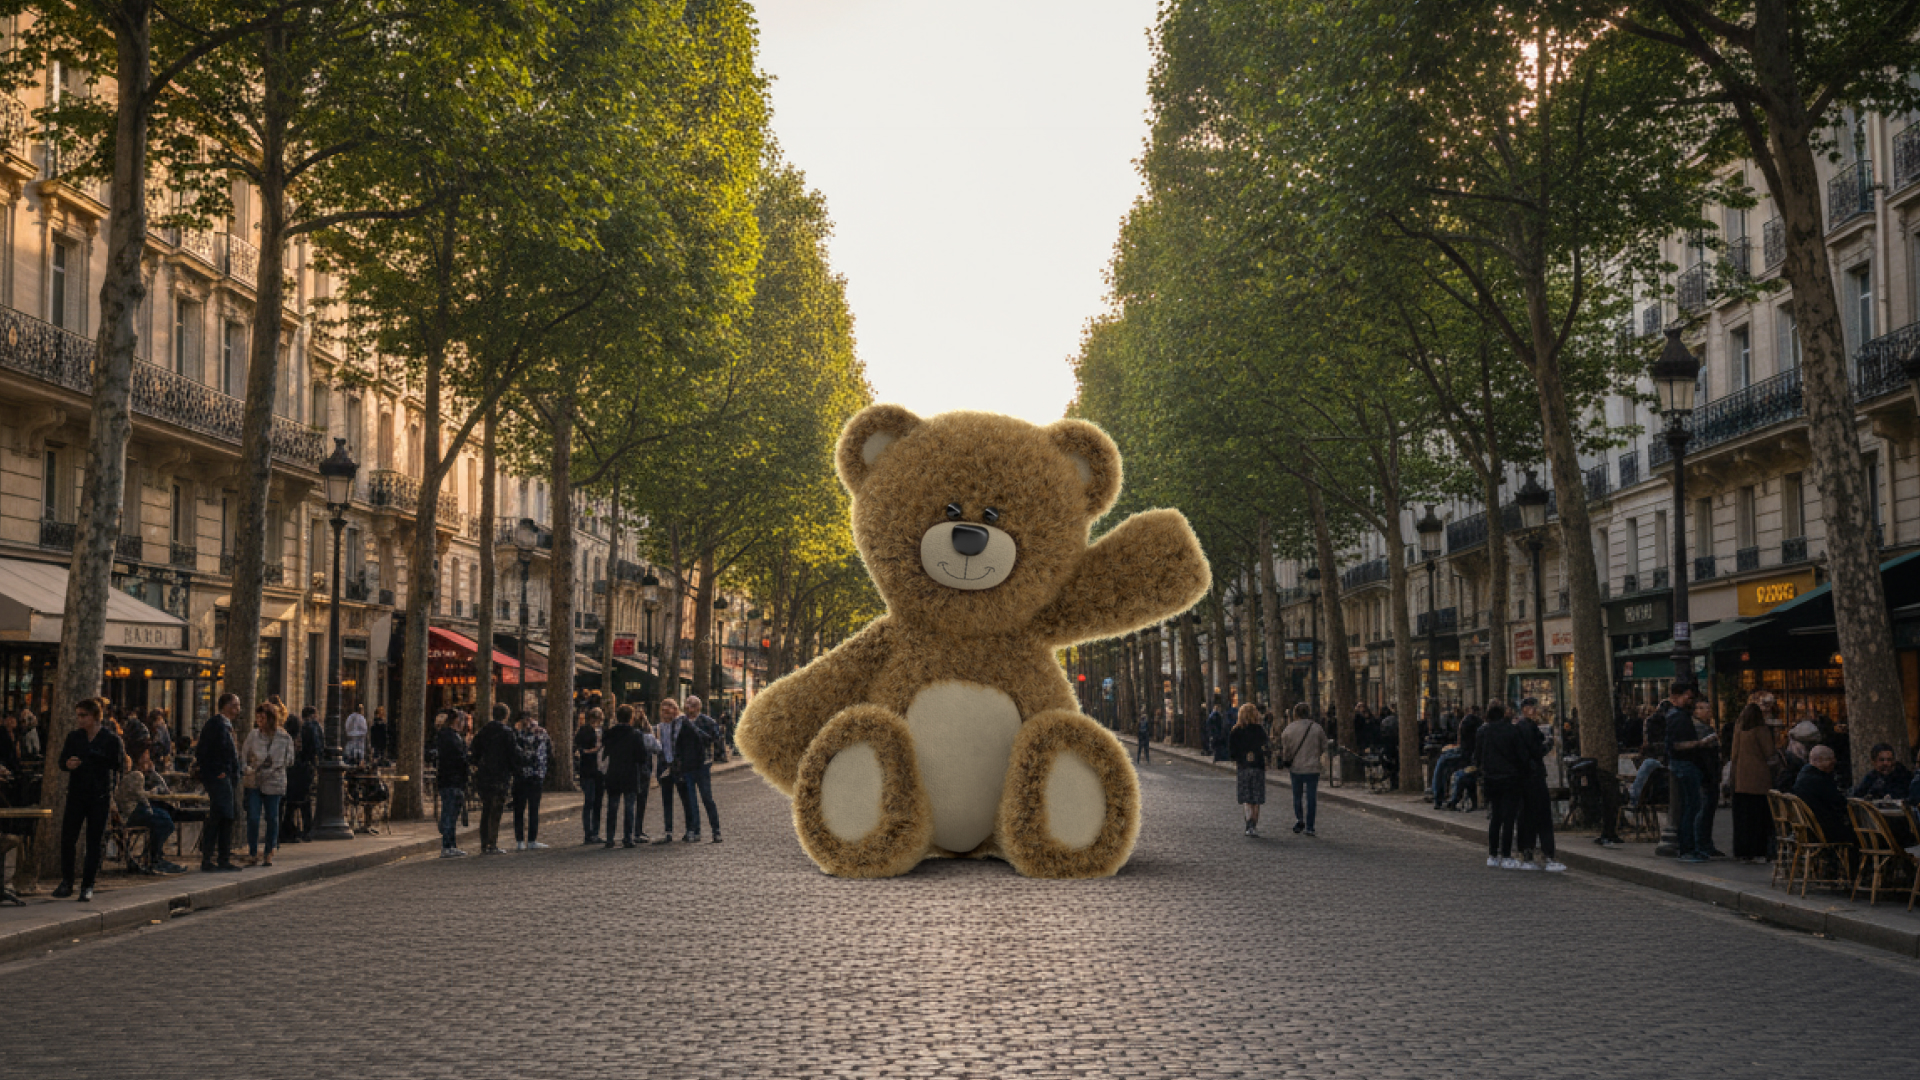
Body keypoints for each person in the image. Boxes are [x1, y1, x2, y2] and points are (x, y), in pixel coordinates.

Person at [53, 697, 124, 901]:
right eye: (78, 716)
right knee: (68, 838)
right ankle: (67, 882)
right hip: (76, 794)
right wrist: (69, 764)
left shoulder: (110, 739)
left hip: (99, 795)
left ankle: (87, 885)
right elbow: (61, 762)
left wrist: (97, 758)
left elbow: (118, 764)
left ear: (94, 716)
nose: (80, 720)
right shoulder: (74, 737)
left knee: (94, 841)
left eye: (83, 715)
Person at [1664, 683, 1716, 864]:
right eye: (1687, 696)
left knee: (1690, 807)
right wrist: (1700, 743)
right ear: (1678, 696)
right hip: (1685, 764)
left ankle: (1689, 846)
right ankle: (1687, 848)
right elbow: (1678, 745)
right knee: (1691, 807)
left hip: (1683, 764)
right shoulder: (1679, 717)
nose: (1690, 699)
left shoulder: (1677, 716)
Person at [1514, 699, 1565, 872]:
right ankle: (1547, 853)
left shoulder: (1522, 727)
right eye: (1531, 707)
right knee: (1542, 815)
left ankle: (1527, 851)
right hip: (1533, 776)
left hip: (1525, 776)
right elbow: (1536, 751)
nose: (1534, 710)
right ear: (1525, 709)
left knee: (1527, 816)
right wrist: (1548, 744)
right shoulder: (1527, 727)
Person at [1474, 703, 1528, 868]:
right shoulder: (1512, 731)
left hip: (1491, 778)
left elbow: (1477, 756)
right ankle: (1506, 854)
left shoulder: (1482, 732)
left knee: (1495, 816)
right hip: (1510, 778)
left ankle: (1492, 853)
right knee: (1509, 818)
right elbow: (1521, 755)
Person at [116, 746, 184, 875]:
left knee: (163, 815)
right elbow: (142, 798)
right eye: (145, 757)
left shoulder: (133, 776)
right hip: (132, 813)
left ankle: (154, 855)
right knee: (164, 820)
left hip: (130, 811)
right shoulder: (136, 775)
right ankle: (155, 857)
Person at [239, 704, 292, 867]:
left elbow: (290, 759)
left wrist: (277, 765)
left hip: (274, 781)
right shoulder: (253, 735)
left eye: (263, 718)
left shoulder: (284, 737)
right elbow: (244, 755)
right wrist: (247, 769)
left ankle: (269, 851)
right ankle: (253, 852)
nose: (259, 722)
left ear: (271, 719)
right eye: (258, 718)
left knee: (272, 817)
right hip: (255, 780)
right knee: (253, 817)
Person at [196, 693, 243, 873]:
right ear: (224, 706)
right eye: (233, 705)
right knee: (220, 816)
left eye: (237, 706)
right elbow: (204, 751)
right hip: (219, 778)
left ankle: (222, 857)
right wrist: (218, 772)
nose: (237, 709)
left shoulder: (226, 726)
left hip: (227, 778)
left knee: (225, 817)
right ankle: (210, 857)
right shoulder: (215, 725)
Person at [1727, 701, 1777, 863]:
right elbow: (1769, 752)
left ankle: (1743, 850)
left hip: (1740, 779)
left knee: (1743, 819)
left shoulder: (1739, 729)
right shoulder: (1761, 730)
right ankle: (1759, 850)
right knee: (1759, 817)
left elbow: (1733, 755)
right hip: (1759, 779)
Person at [600, 704, 653, 847]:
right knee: (629, 807)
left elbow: (605, 750)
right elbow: (642, 756)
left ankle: (610, 838)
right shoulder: (635, 735)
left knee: (612, 806)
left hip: (613, 772)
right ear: (631, 718)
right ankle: (627, 837)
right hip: (630, 773)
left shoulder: (610, 733)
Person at [470, 704, 517, 855]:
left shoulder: (483, 731)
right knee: (496, 809)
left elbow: (474, 752)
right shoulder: (507, 732)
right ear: (506, 716)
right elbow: (513, 754)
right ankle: (492, 842)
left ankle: (485, 842)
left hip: (484, 774)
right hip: (500, 774)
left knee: (486, 808)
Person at [1792, 745, 1856, 848]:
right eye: (1830, 759)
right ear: (1818, 761)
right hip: (1823, 830)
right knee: (1861, 833)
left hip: (1808, 828)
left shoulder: (1803, 776)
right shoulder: (1819, 780)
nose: (1834, 762)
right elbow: (1839, 803)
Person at [679, 695, 722, 843]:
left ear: (698, 707)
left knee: (707, 798)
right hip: (688, 766)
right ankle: (695, 831)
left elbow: (714, 739)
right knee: (691, 801)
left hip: (702, 765)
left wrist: (694, 728)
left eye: (691, 704)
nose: (688, 706)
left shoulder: (707, 722)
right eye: (687, 703)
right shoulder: (681, 722)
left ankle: (716, 830)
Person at [1278, 703, 1326, 836]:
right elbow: (1324, 746)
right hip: (1312, 767)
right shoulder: (1317, 728)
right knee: (1311, 797)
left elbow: (1286, 749)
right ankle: (1310, 826)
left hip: (1296, 767)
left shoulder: (1289, 729)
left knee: (1297, 795)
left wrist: (1287, 759)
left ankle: (1300, 818)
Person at [1690, 699, 1726, 858]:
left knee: (1707, 811)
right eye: (1703, 708)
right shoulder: (1700, 730)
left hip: (1709, 774)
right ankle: (1702, 844)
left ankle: (1705, 843)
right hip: (1706, 775)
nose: (1707, 711)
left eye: (1708, 708)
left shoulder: (1706, 728)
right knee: (1704, 811)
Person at [1227, 704, 1269, 836]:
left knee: (1247, 798)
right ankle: (1254, 824)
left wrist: (1240, 758)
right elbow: (1266, 748)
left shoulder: (1236, 731)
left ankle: (1248, 824)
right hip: (1258, 766)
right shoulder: (1260, 730)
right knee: (1256, 798)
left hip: (1243, 766)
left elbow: (1232, 752)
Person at [433, 711, 471, 858]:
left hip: (449, 779)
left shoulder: (447, 737)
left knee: (451, 813)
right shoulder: (451, 738)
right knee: (450, 813)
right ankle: (447, 845)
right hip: (452, 779)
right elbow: (458, 758)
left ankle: (451, 844)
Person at [652, 698, 690, 843]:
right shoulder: (658, 728)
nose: (666, 712)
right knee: (666, 800)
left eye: (669, 709)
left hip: (679, 766)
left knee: (685, 799)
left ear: (675, 710)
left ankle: (690, 829)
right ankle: (668, 830)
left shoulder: (681, 725)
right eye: (663, 710)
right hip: (664, 767)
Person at [511, 714, 551, 851]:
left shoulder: (516, 735)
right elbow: (550, 752)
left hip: (520, 775)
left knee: (519, 809)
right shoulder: (542, 733)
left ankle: (520, 840)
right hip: (536, 774)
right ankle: (532, 839)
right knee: (534, 809)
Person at [1443, 706, 1483, 810]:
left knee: (1460, 775)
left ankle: (1453, 800)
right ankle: (1458, 800)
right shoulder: (1479, 727)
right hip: (1475, 761)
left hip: (1477, 762)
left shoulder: (1471, 726)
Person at [575, 708, 605, 844]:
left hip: (599, 770)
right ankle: (589, 833)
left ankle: (595, 832)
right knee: (590, 801)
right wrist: (589, 751)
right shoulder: (584, 731)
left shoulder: (602, 731)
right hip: (588, 769)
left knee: (597, 802)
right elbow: (579, 749)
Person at [1849, 743, 1914, 801]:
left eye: (1889, 760)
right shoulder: (1872, 776)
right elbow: (1858, 793)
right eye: (1881, 760)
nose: (1886, 763)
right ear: (1873, 762)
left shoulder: (1903, 776)